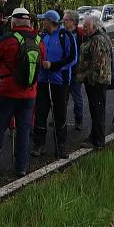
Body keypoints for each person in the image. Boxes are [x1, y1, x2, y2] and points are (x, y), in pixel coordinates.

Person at [0, 8, 45, 177]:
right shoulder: (38, 40)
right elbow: (41, 62)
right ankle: (21, 167)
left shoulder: (8, 39)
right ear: (29, 22)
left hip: (8, 91)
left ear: (13, 22)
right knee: (23, 130)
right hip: (30, 92)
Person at [31, 10, 77, 159]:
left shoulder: (66, 36)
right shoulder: (41, 36)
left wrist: (53, 65)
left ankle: (61, 146)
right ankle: (39, 145)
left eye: (43, 19)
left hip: (60, 82)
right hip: (43, 81)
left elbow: (72, 58)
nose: (41, 22)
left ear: (50, 22)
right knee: (40, 113)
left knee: (60, 115)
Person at [74, 15, 112, 149]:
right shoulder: (96, 37)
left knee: (98, 111)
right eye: (83, 26)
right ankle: (94, 136)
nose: (83, 29)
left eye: (86, 27)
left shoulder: (98, 40)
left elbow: (97, 65)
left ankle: (98, 141)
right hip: (94, 81)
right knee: (95, 110)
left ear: (94, 27)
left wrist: (81, 75)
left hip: (97, 82)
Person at [63, 9, 84, 131]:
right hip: (64, 70)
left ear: (73, 21)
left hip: (76, 71)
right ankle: (61, 119)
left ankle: (79, 120)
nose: (63, 22)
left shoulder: (81, 34)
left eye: (66, 20)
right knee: (63, 97)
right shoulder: (62, 33)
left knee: (77, 96)